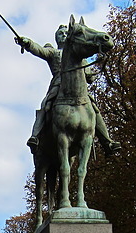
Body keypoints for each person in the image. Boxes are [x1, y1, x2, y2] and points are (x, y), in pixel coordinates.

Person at [15, 25, 120, 155]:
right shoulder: (53, 52)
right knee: (45, 105)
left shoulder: (80, 56)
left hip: (78, 88)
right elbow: (39, 50)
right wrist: (28, 43)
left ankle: (107, 141)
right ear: (56, 38)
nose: (63, 35)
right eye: (60, 34)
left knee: (93, 108)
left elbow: (89, 78)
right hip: (58, 85)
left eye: (65, 33)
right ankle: (35, 136)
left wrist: (93, 68)